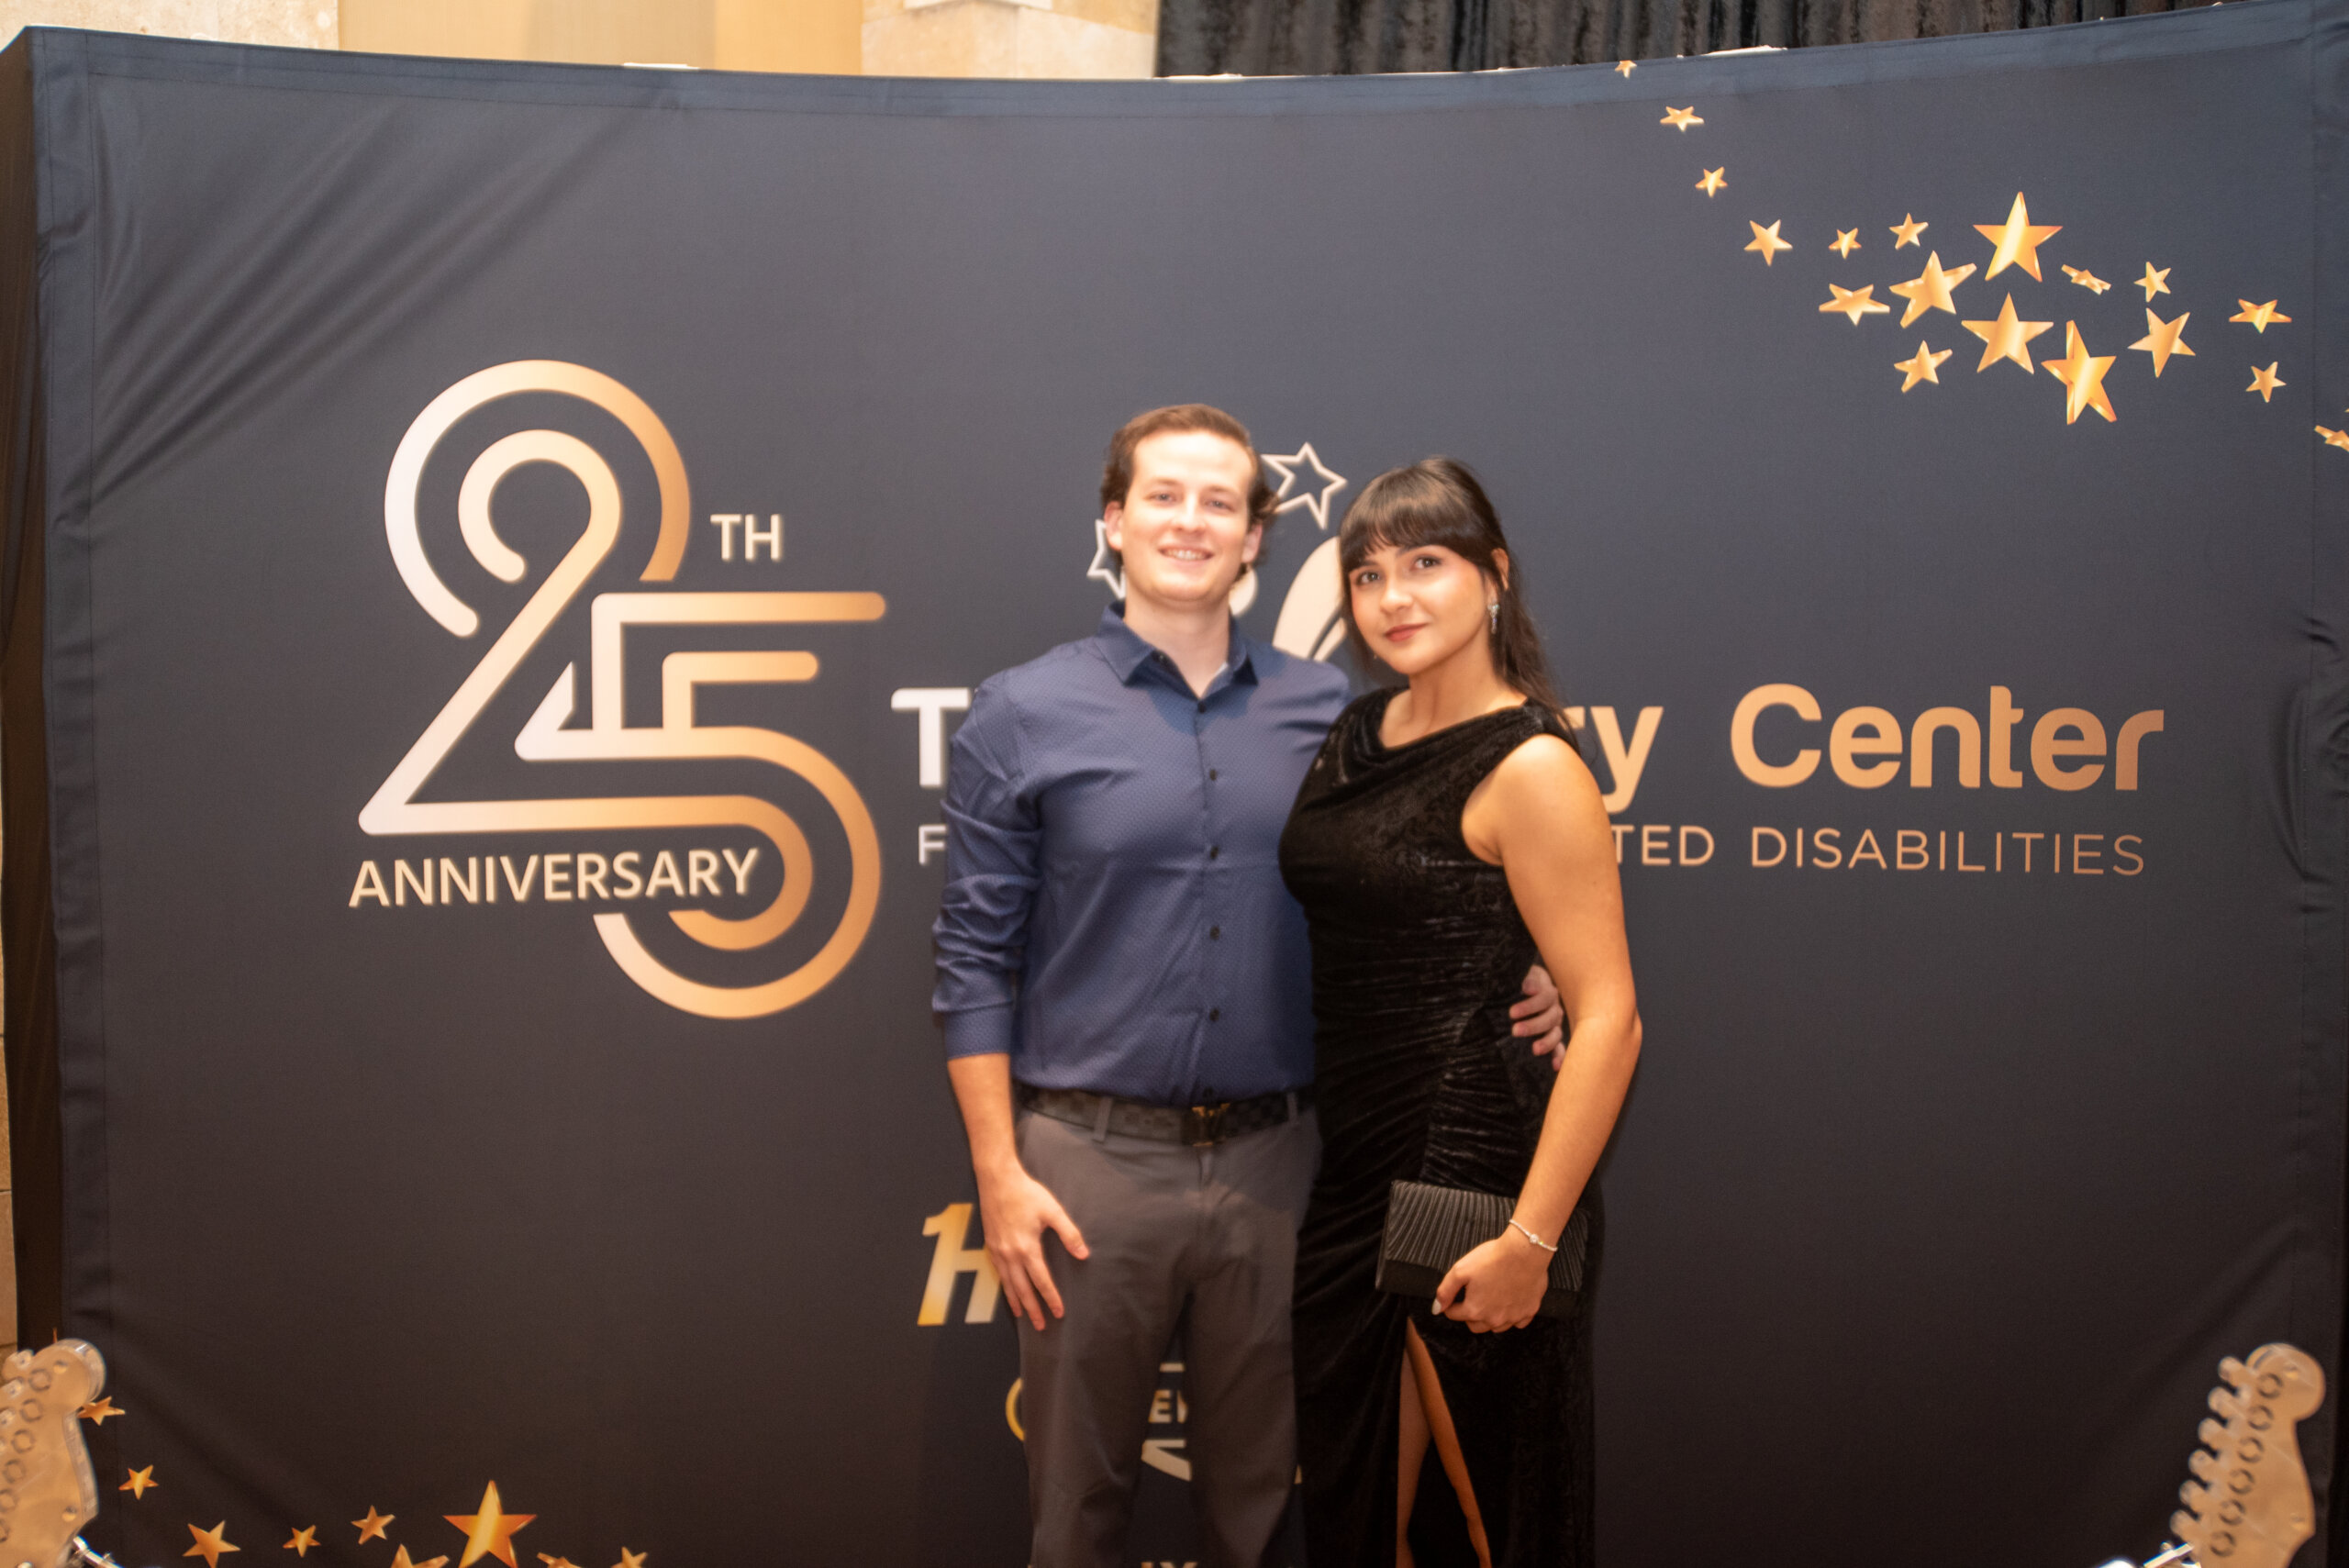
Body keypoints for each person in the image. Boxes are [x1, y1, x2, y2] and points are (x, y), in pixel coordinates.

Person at [932, 407, 1569, 1568]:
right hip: (1086, 1169)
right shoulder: (1019, 710)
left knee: (1268, 1511)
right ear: (1113, 520)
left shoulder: (1337, 713)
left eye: (1219, 501)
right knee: (1073, 1516)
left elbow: (1427, 868)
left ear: (1256, 535)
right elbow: (973, 956)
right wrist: (999, 1171)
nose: (1190, 521)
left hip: (1289, 1165)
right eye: (1162, 495)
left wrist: (1528, 964)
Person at [1279, 459, 1642, 1568]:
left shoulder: (1530, 762)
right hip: (1352, 1178)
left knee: (1497, 1525)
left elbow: (1610, 1015)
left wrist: (1530, 1241)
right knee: (1362, 1525)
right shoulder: (1354, 733)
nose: (1392, 596)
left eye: (1425, 563)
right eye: (1367, 573)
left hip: (1475, 1175)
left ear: (1493, 576)